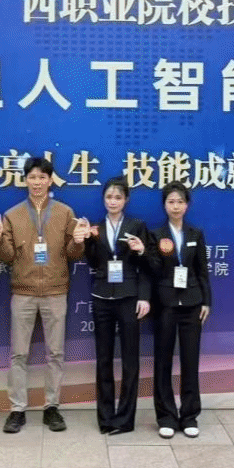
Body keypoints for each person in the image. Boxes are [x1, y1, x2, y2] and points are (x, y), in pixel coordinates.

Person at [0, 156, 85, 433]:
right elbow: (7, 256)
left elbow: (73, 254)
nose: (37, 182)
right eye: (32, 177)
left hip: (56, 291)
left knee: (55, 353)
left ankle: (51, 407)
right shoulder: (12, 214)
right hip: (23, 292)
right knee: (18, 353)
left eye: (42, 177)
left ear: (49, 180)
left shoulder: (65, 212)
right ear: (25, 180)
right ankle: (17, 409)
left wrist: (78, 241)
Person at [83, 176, 151, 434]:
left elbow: (145, 266)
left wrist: (144, 296)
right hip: (102, 298)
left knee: (130, 360)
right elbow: (92, 262)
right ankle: (106, 418)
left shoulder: (137, 226)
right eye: (109, 197)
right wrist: (86, 241)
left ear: (126, 200)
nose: (113, 201)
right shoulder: (96, 228)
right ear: (103, 199)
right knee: (104, 360)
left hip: (129, 298)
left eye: (118, 197)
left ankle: (125, 420)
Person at [147, 181, 212, 439]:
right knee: (162, 362)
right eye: (171, 202)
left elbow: (202, 270)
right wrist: (145, 253)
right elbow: (152, 270)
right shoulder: (156, 234)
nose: (176, 206)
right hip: (165, 305)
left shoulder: (196, 233)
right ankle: (166, 416)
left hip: (193, 304)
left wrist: (206, 301)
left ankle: (189, 416)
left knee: (190, 361)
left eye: (180, 202)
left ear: (187, 205)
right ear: (164, 205)